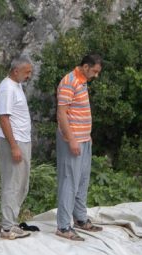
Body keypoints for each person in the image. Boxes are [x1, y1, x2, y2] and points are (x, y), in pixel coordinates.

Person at [55, 54, 103, 241]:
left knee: (82, 179)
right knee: (69, 180)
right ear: (85, 66)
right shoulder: (69, 81)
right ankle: (63, 226)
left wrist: (86, 136)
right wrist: (71, 139)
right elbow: (62, 113)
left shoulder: (82, 81)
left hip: (84, 139)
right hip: (71, 140)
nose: (96, 76)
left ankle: (80, 219)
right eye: (95, 71)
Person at [0, 55, 33, 240]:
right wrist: (14, 147)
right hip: (13, 142)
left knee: (21, 184)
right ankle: (7, 227)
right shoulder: (7, 88)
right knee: (12, 184)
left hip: (22, 141)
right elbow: (4, 118)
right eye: (27, 72)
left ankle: (11, 221)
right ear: (16, 71)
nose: (29, 76)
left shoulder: (16, 86)